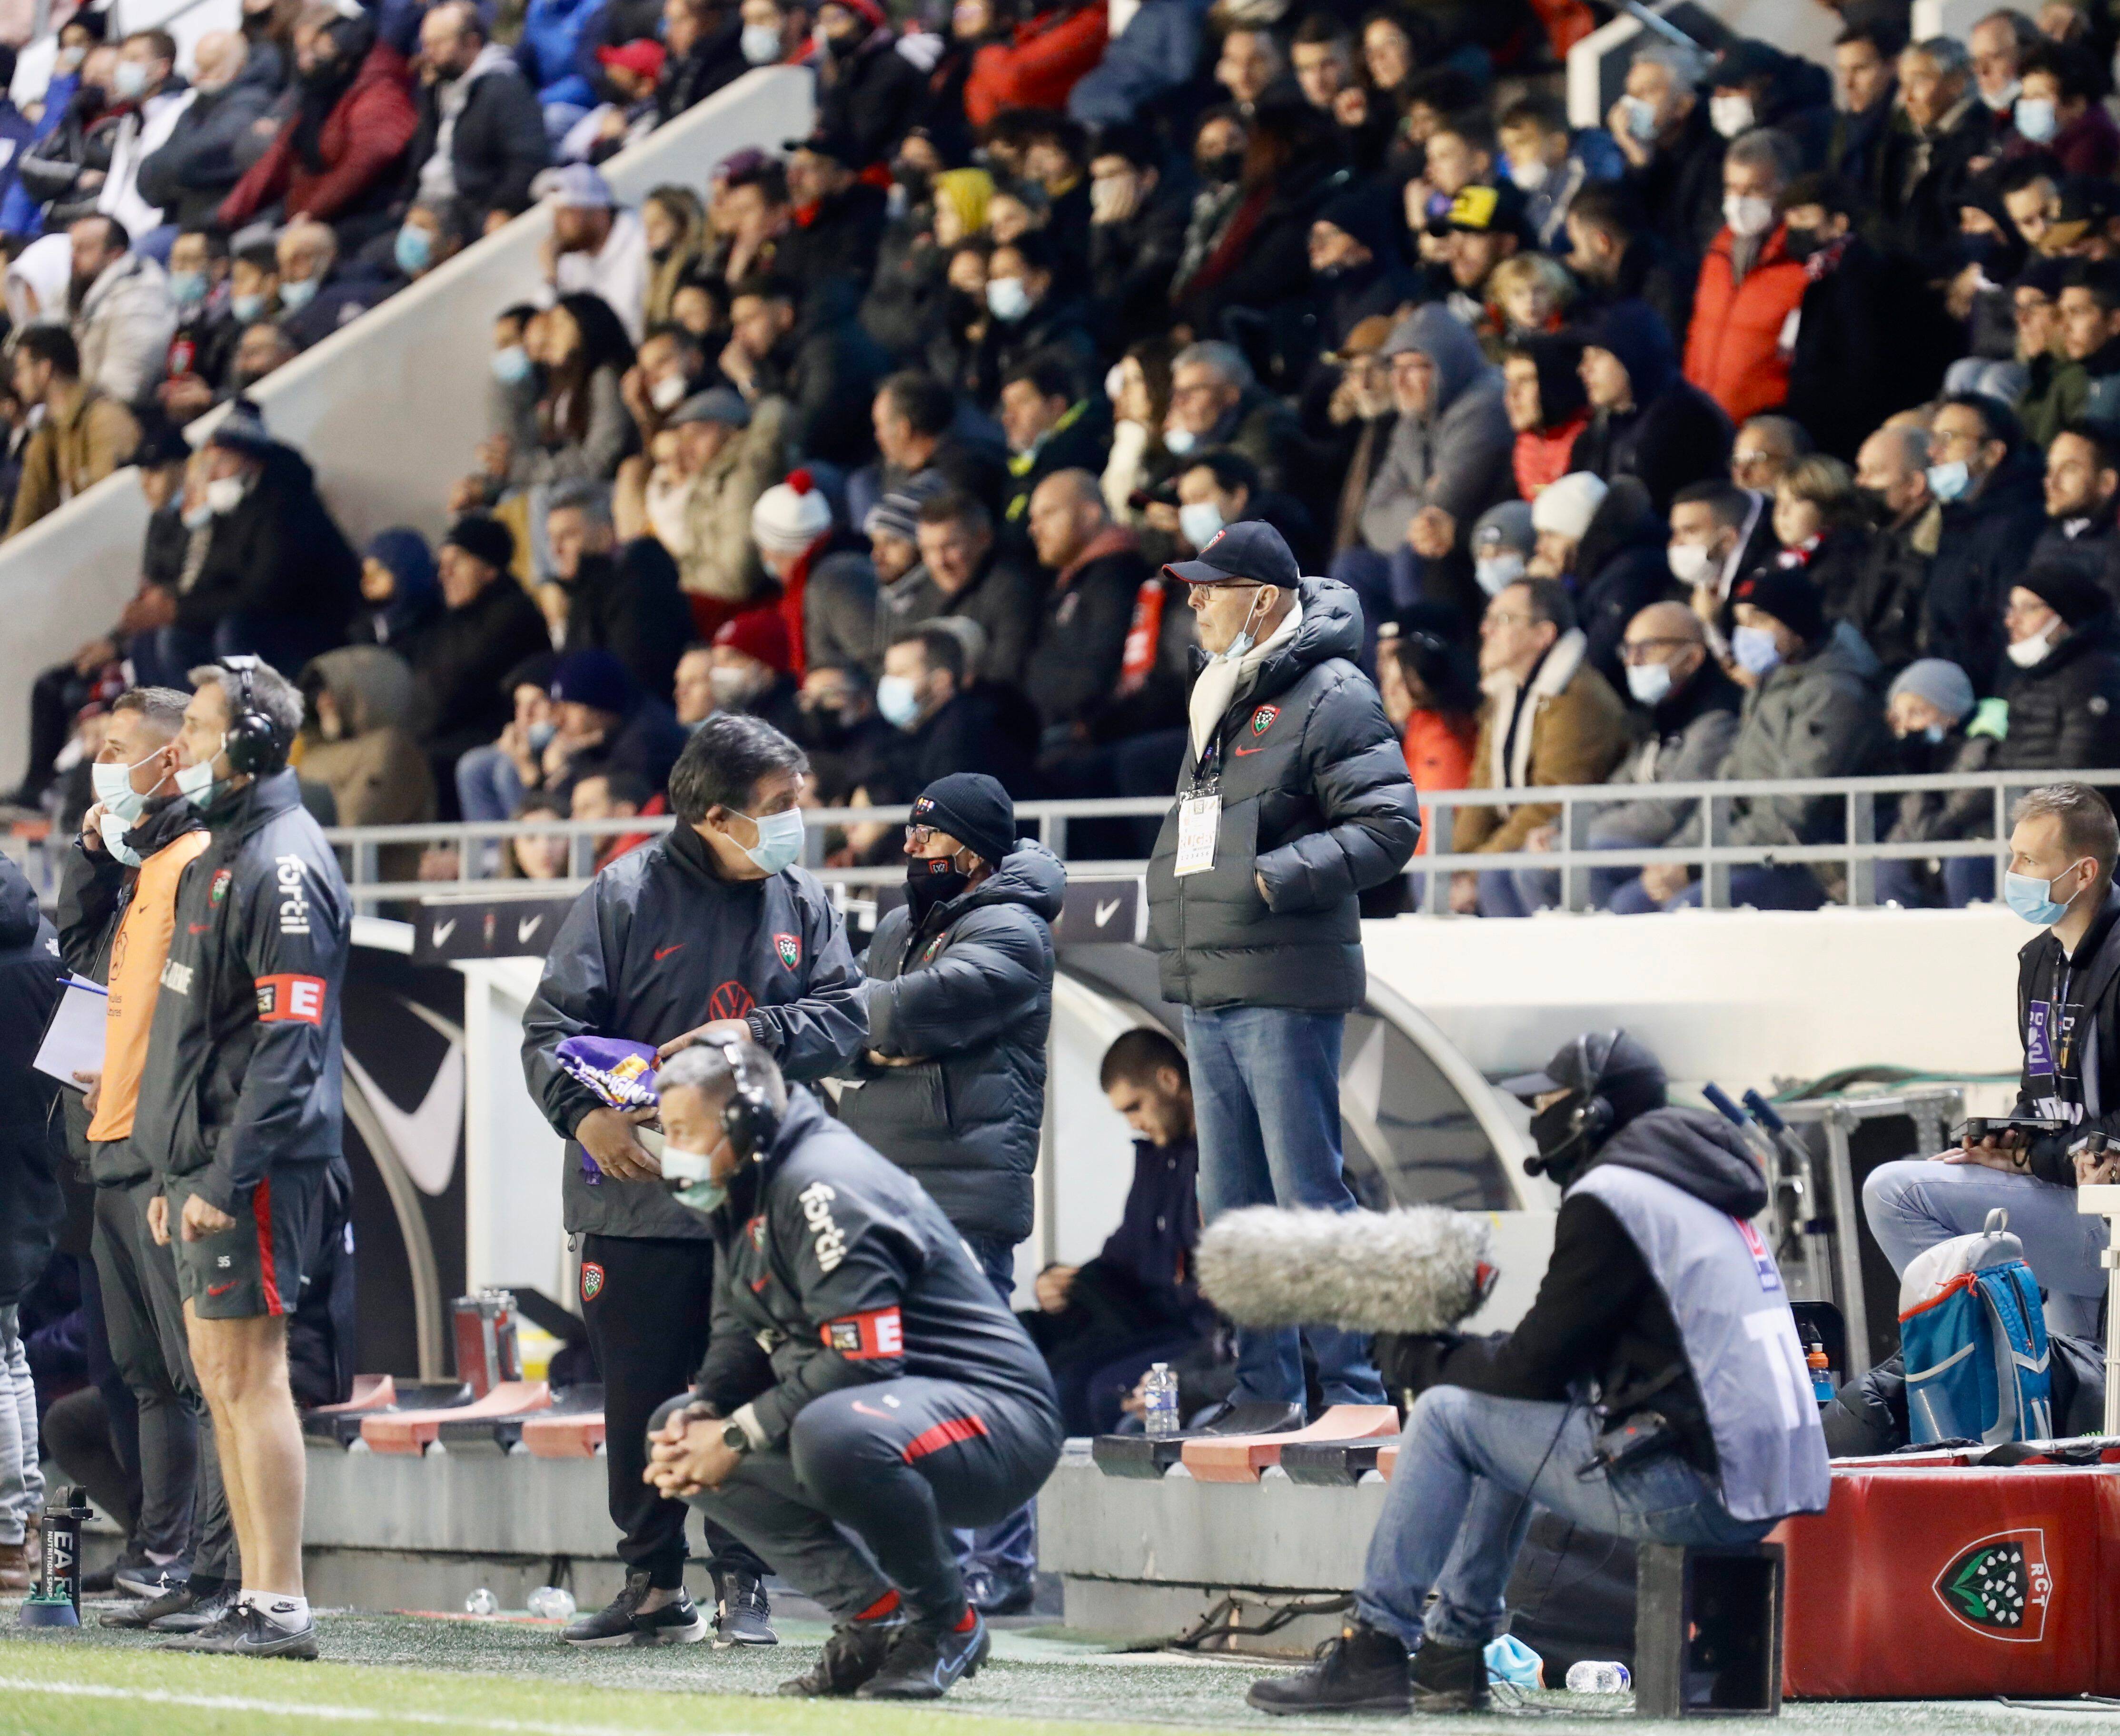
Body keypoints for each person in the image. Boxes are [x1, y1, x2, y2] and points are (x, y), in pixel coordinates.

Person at [1248, 1031, 1828, 1715]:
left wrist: (1424, 1361)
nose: (1536, 1117)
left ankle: (1376, 1646)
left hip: (1693, 1489)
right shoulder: (1689, 1190)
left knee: (1444, 1414)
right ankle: (1449, 1656)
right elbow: (1558, 1361)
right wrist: (1460, 1360)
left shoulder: (1614, 1196)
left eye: (1548, 1100)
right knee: (1488, 1416)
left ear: (1592, 1113)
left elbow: (1536, 1368)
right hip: (1758, 1486)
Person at [521, 713, 866, 1649]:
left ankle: (743, 1587)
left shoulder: (804, 902)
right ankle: (647, 1584)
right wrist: (583, 1117)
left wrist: (760, 1032)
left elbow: (846, 1016)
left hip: (757, 1207)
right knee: (638, 1396)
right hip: (632, 1201)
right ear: (716, 816)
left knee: (748, 1399)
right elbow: (547, 1030)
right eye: (779, 807)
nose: (800, 822)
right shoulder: (620, 895)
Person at [644, 1036, 1063, 1700]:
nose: (671, 1152)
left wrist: (733, 1437)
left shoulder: (821, 1183)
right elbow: (738, 1328)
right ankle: (870, 1621)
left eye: (681, 1131)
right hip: (890, 1408)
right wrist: (706, 1412)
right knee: (674, 1427)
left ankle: (945, 1624)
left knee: (831, 1433)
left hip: (997, 1424)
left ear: (744, 1120)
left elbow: (864, 1361)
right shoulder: (744, 1179)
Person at [1145, 523, 1417, 1427]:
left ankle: (1354, 1393)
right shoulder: (1219, 689)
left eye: (1207, 587)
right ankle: (1265, 1390)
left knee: (1308, 1195)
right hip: (1211, 979)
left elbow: (1390, 826)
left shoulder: (1332, 690)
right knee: (1229, 1206)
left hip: (1282, 978)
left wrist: (1276, 875)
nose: (1191, 602)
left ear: (1261, 597)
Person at [130, 656, 351, 1659]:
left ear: (258, 742)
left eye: (209, 729)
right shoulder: (225, 846)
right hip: (205, 1160)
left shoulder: (283, 863)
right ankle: (254, 1595)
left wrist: (223, 1178)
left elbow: (288, 1047)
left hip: (251, 1164)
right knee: (220, 1375)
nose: (188, 750)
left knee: (253, 1374)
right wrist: (174, 1168)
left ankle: (281, 1602)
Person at [840, 772, 1061, 1614]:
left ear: (972, 851)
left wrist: (884, 1027)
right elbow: (863, 1032)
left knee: (971, 1383)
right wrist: (879, 1032)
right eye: (909, 833)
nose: (911, 850)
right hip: (887, 1178)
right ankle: (939, 1560)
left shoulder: (1013, 927)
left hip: (965, 1190)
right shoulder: (901, 924)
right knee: (894, 1375)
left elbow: (911, 1011)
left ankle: (991, 1564)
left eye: (928, 838)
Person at [57, 687, 239, 1630]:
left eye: (116, 748)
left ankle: (214, 1573)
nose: (100, 767)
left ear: (167, 761)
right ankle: (161, 1557)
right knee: (147, 1378)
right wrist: (89, 860)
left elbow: (210, 1027)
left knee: (201, 1375)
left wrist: (186, 1164)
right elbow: (84, 968)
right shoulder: (143, 865)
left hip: (162, 1155)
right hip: (112, 1147)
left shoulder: (198, 861)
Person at [1864, 783, 2120, 1339]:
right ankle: (2010, 1365)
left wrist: (2033, 1159)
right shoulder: (2039, 960)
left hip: (2106, 1208)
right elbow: (2041, 1096)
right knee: (2076, 1393)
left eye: (2028, 860)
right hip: (2067, 1193)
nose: (2012, 871)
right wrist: (2007, 1140)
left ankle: (1978, 1359)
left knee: (1893, 1191)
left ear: (2082, 874)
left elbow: (2104, 1133)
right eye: (2012, 855)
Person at [1611, 569, 1887, 912]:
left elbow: (1794, 812)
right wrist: (1677, 855)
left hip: (1812, 863)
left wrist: (1697, 864)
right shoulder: (1774, 682)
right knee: (1630, 902)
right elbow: (1730, 788)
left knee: (1687, 908)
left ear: (1794, 623)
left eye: (1759, 620)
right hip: (1754, 851)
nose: (1746, 635)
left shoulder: (1836, 694)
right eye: (1741, 622)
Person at [1027, 1028, 1218, 1437]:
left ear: (1169, 1080)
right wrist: (1061, 1280)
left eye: (1135, 1107)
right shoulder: (1155, 1162)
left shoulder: (1219, 1161)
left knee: (1095, 1390)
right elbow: (1128, 1253)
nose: (1135, 1123)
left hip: (1210, 1337)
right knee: (1059, 1377)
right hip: (1162, 1329)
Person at [141, 404, 362, 684]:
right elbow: (212, 578)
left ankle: (262, 719)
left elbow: (263, 595)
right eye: (210, 464)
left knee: (234, 633)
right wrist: (175, 604)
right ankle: (203, 719)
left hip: (316, 621)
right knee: (174, 638)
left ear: (251, 462)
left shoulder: (285, 506)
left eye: (222, 463)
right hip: (259, 617)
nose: (212, 474)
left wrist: (180, 609)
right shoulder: (229, 508)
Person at [1451, 578, 1632, 918]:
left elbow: (1552, 799)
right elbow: (1481, 791)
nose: (1486, 629)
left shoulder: (1578, 698)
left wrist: (1475, 868)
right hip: (1511, 840)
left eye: (1503, 620)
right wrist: (1455, 864)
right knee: (1428, 879)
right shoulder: (1503, 693)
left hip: (1567, 834)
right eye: (1488, 619)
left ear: (1543, 635)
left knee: (1494, 878)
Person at [1583, 601, 1743, 907]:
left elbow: (1668, 811)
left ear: (1693, 658)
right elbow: (1619, 788)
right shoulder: (1660, 712)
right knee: (1511, 872)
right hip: (1635, 838)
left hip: (1676, 843)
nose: (1633, 661)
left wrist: (1573, 840)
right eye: (1628, 650)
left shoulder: (1717, 719)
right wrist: (1560, 830)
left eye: (1647, 648)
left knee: (1581, 864)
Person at [0, 850, 65, 1593]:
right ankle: (18, 1526)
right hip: (35, 1160)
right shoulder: (41, 933)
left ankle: (9, 1532)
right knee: (8, 1344)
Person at [217, 9, 420, 235]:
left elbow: (367, 158)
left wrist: (310, 214)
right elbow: (279, 156)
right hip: (311, 210)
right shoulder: (320, 94)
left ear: (343, 52)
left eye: (313, 52)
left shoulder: (378, 89)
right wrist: (227, 216)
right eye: (300, 53)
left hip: (369, 208)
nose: (305, 62)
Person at [1683, 130, 1808, 427]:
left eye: (1754, 191)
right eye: (1732, 189)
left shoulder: (1801, 266)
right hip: (1706, 424)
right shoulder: (1717, 255)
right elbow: (1698, 340)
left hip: (1765, 431)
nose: (1739, 202)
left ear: (1785, 191)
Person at [1568, 299, 1733, 516]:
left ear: (1632, 355)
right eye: (1584, 358)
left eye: (1598, 356)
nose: (1584, 370)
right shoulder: (1600, 429)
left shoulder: (1688, 418)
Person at [405, 1, 550, 236]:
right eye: (426, 45)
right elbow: (422, 155)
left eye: (438, 44)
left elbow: (529, 160)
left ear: (471, 43)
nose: (428, 54)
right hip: (428, 202)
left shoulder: (503, 88)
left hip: (473, 211)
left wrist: (503, 209)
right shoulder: (440, 88)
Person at [1874, 658, 1995, 910]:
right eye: (1898, 718)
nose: (1907, 727)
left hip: (1973, 846)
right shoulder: (1922, 757)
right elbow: (1908, 835)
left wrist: (1915, 779)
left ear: (1951, 714)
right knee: (1887, 865)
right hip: (1935, 855)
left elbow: (1932, 830)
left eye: (1917, 713)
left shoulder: (1979, 754)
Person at [5, 324, 139, 539]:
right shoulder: (47, 436)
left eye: (21, 370)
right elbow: (25, 517)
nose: (16, 383)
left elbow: (114, 509)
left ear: (45, 369)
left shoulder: (103, 418)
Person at [69, 215, 178, 407]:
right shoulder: (86, 292)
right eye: (73, 249)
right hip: (93, 408)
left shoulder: (141, 297)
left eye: (83, 249)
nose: (73, 258)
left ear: (115, 254)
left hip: (128, 419)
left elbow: (124, 389)